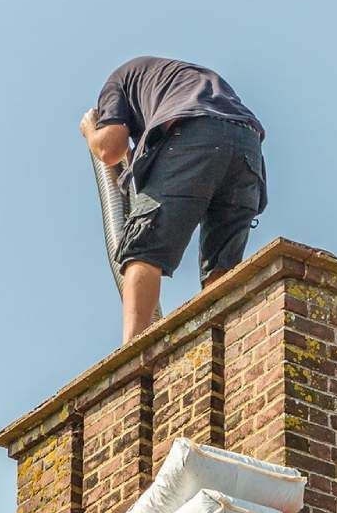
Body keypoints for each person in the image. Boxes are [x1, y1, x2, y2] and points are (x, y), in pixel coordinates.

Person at [80, 56, 267, 342]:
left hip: (194, 131)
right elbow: (139, 161)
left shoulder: (117, 81)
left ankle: (133, 352)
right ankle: (224, 344)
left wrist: (91, 132)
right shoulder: (177, 81)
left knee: (143, 249)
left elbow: (111, 149)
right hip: (247, 145)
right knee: (222, 269)